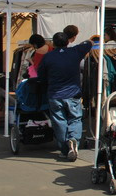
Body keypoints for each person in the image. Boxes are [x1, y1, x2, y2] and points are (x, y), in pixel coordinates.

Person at [37, 32, 93, 161]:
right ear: (68, 42)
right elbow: (90, 43)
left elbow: (41, 76)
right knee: (75, 118)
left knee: (59, 121)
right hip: (73, 94)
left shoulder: (48, 57)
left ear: (53, 43)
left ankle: (64, 149)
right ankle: (73, 139)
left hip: (55, 95)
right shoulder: (76, 51)